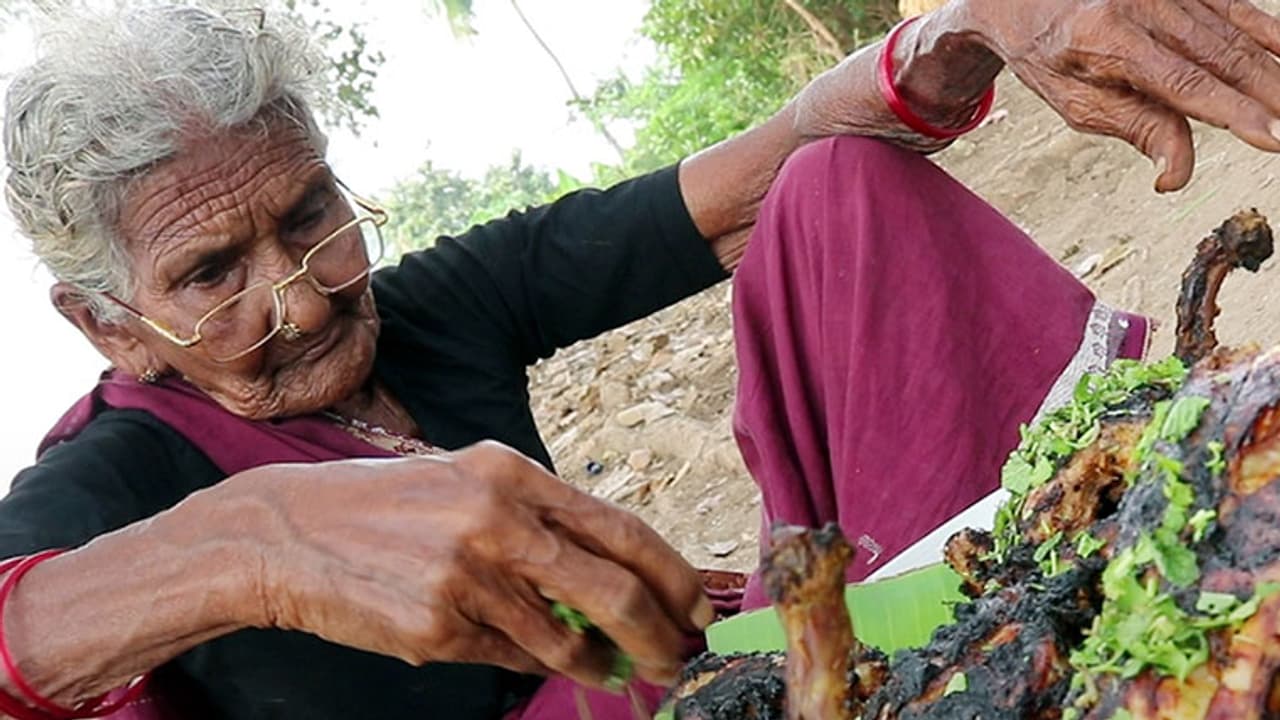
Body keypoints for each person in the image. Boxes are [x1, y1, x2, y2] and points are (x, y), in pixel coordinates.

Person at [3, 0, 1280, 718]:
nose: (298, 297)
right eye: (212, 276)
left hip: (784, 663)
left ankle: (1116, 571)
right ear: (109, 324)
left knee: (838, 190)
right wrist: (255, 543)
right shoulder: (115, 479)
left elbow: (749, 175)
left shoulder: (423, 310)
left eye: (308, 217)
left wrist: (970, 28)